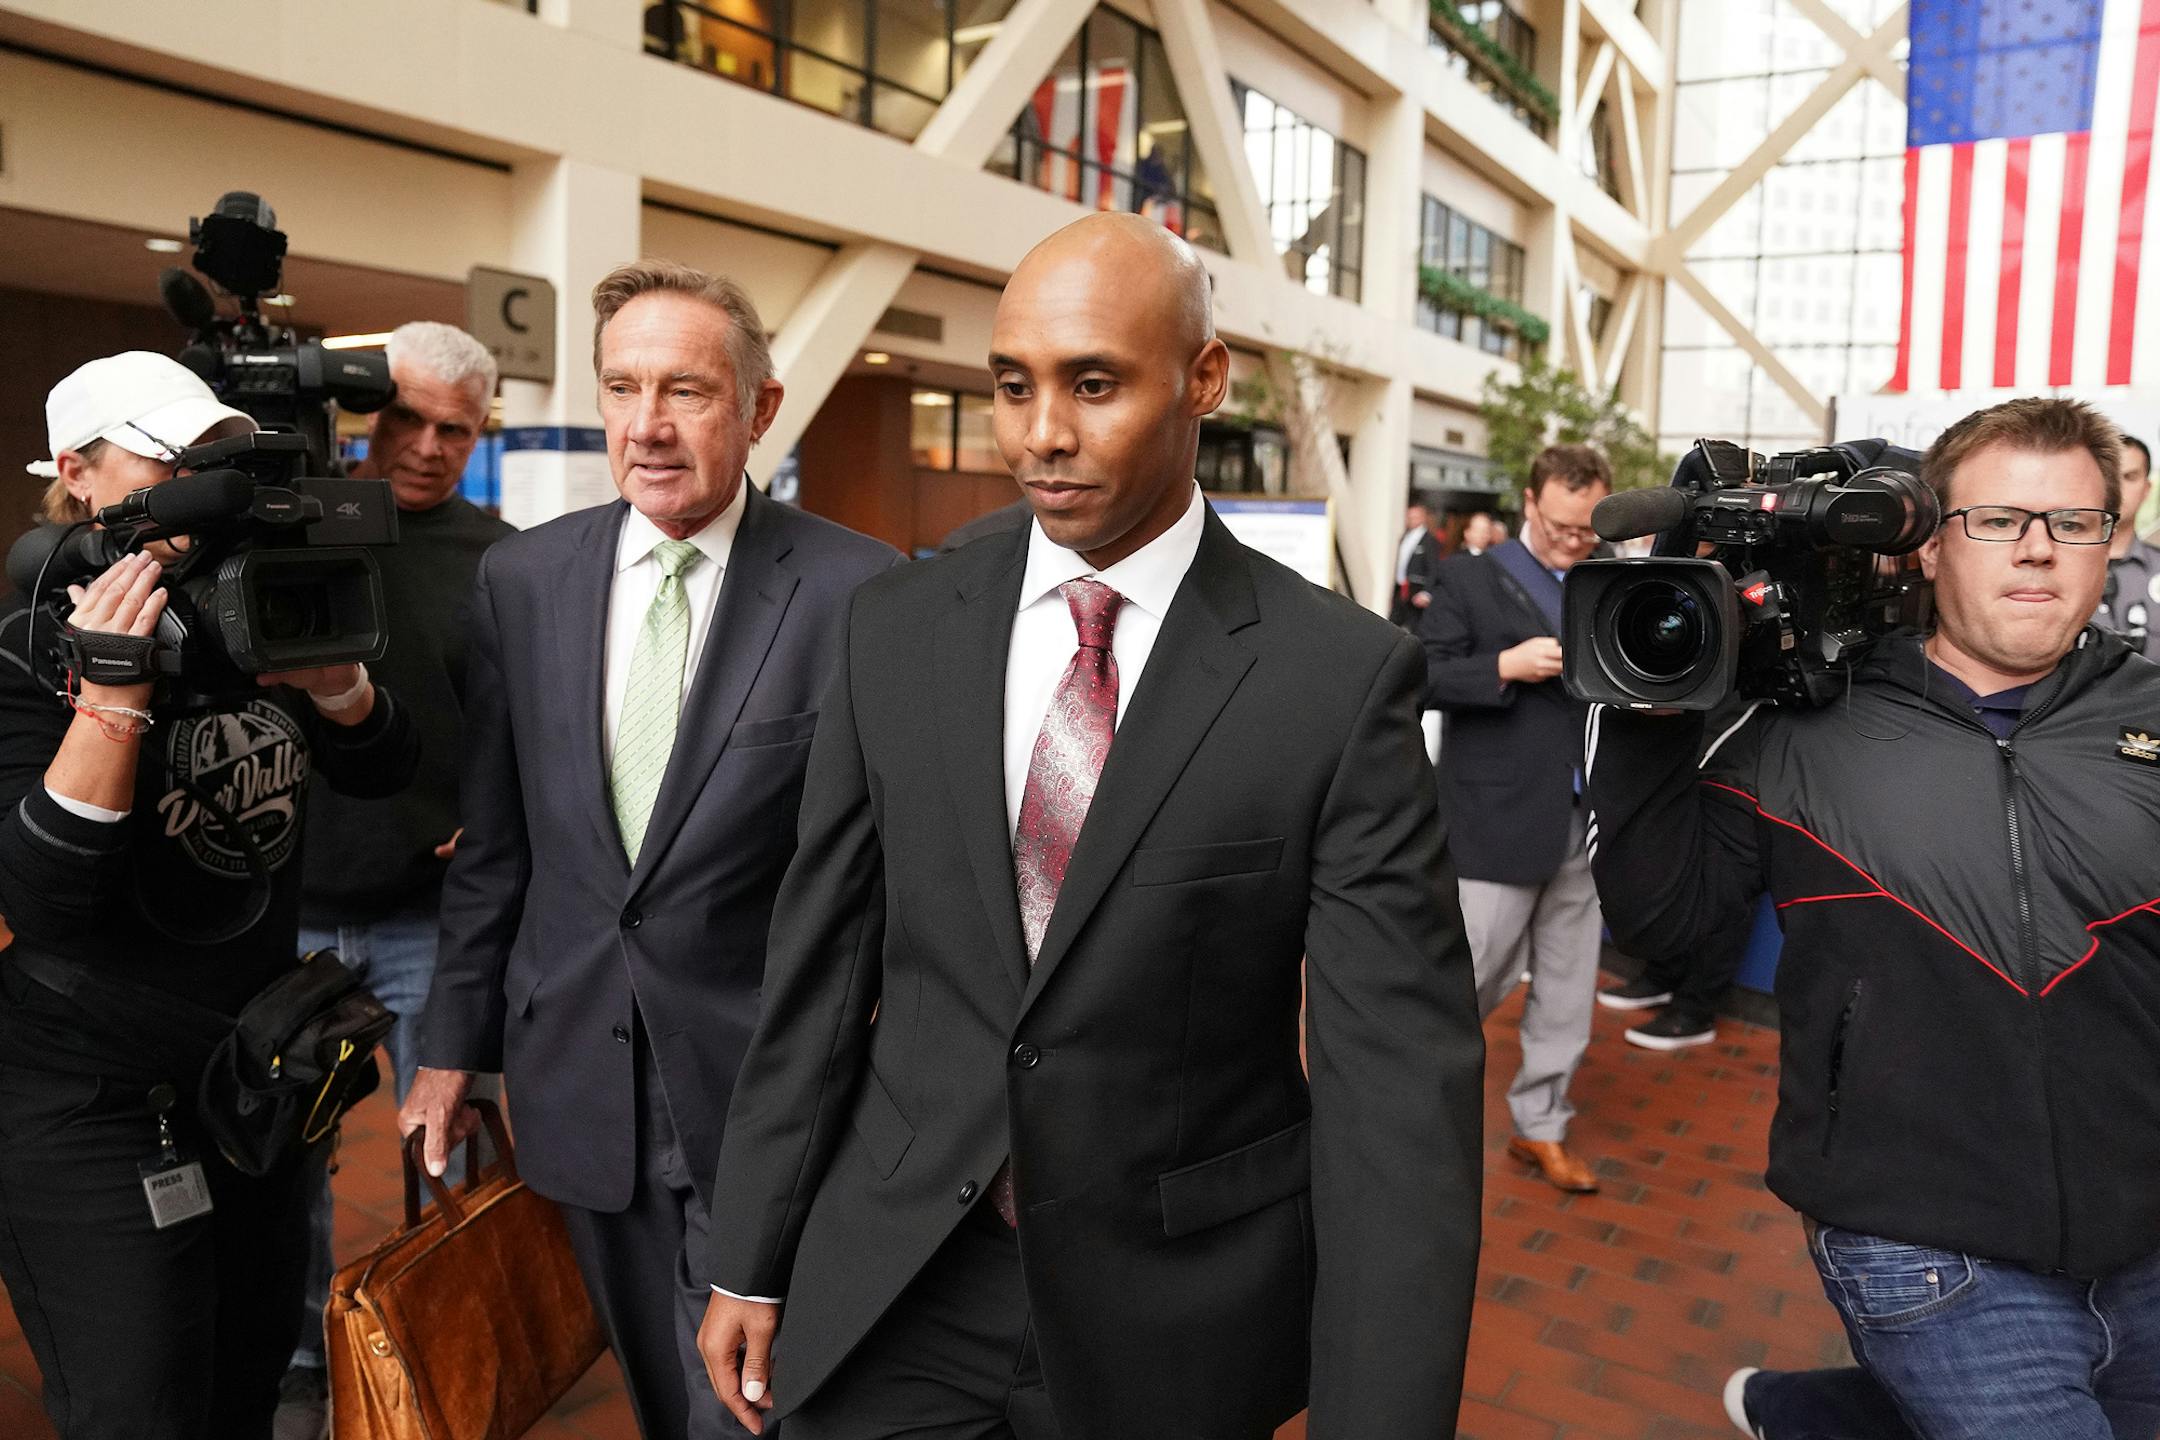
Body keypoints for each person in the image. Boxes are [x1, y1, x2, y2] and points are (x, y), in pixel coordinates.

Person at [695, 213, 1484, 1440]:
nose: (1041, 435)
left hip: (1173, 1321)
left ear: (1204, 380)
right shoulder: (897, 627)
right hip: (897, 1278)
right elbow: (820, 971)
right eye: (1013, 387)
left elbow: (1398, 1100)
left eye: (1095, 384)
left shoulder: (1337, 680)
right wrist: (750, 1251)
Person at [1585, 398, 2160, 1440]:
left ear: (2109, 544)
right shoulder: (1799, 729)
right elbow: (1668, 929)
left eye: (2072, 523)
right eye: (1998, 520)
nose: (2036, 551)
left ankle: (1817, 1418)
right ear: (1933, 545)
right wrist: (1648, 713)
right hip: (1920, 1243)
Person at [400, 261, 897, 1440]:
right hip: (576, 1075)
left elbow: (889, 882)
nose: (648, 425)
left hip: (764, 1093)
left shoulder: (859, 593)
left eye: (686, 389)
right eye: (622, 388)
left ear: (762, 409)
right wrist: (451, 1048)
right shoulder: (522, 581)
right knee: (657, 1394)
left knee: (748, 1407)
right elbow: (497, 850)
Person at [0, 352, 418, 1439]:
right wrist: (111, 699)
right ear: (80, 475)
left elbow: (382, 766)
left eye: (214, 452)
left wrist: (339, 683)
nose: (204, 474)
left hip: (250, 1074)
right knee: (140, 1403)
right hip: (86, 1092)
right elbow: (48, 898)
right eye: (170, 454)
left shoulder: (249, 609)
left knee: (245, 1380)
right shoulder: (25, 654)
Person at [278, 322, 515, 1430]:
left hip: (432, 911)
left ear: (480, 436)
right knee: (291, 1153)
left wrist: (499, 819)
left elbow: (524, 724)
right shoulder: (299, 530)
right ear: (372, 415)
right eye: (407, 418)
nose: (425, 445)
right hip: (294, 907)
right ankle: (300, 1355)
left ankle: (459, 1337)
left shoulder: (500, 558)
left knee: (452, 1139)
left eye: (453, 429)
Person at [1419, 444, 1611, 1194]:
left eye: (1587, 529)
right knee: (1472, 974)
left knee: (1567, 985)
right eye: (1562, 526)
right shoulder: (1470, 574)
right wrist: (1502, 667)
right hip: (1495, 816)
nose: (1574, 541)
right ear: (1529, 504)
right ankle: (1411, 1107)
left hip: (1586, 815)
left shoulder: (1612, 578)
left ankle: (1542, 1127)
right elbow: (1421, 674)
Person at [2095, 432, 2157, 656]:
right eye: (2109, 476)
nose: (2117, 489)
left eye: (2129, 477)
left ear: (2147, 488)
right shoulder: (2059, 564)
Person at [1391, 494, 1443, 625]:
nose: (1412, 519)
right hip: (1401, 589)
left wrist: (1426, 592)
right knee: (1393, 623)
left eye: (1416, 516)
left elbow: (1433, 568)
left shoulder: (1429, 541)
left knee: (1412, 626)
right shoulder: (1404, 537)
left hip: (1416, 590)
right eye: (1410, 516)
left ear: (1423, 517)